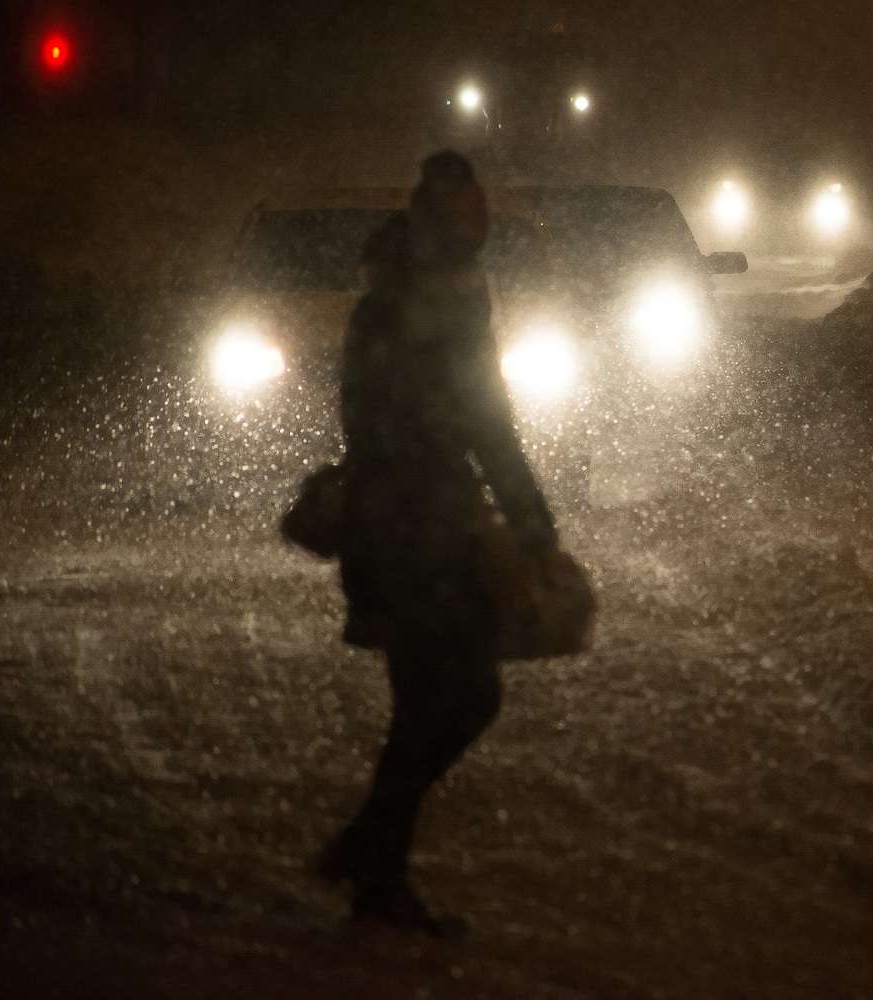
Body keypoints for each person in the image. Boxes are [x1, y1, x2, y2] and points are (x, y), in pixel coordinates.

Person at [317, 151, 558, 935]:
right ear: (440, 219)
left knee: (435, 702)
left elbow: (463, 417)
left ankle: (373, 861)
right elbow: (482, 420)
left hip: (410, 524)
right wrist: (528, 518)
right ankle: (373, 862)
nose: (478, 221)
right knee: (454, 698)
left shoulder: (414, 297)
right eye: (466, 208)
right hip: (414, 530)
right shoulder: (424, 304)